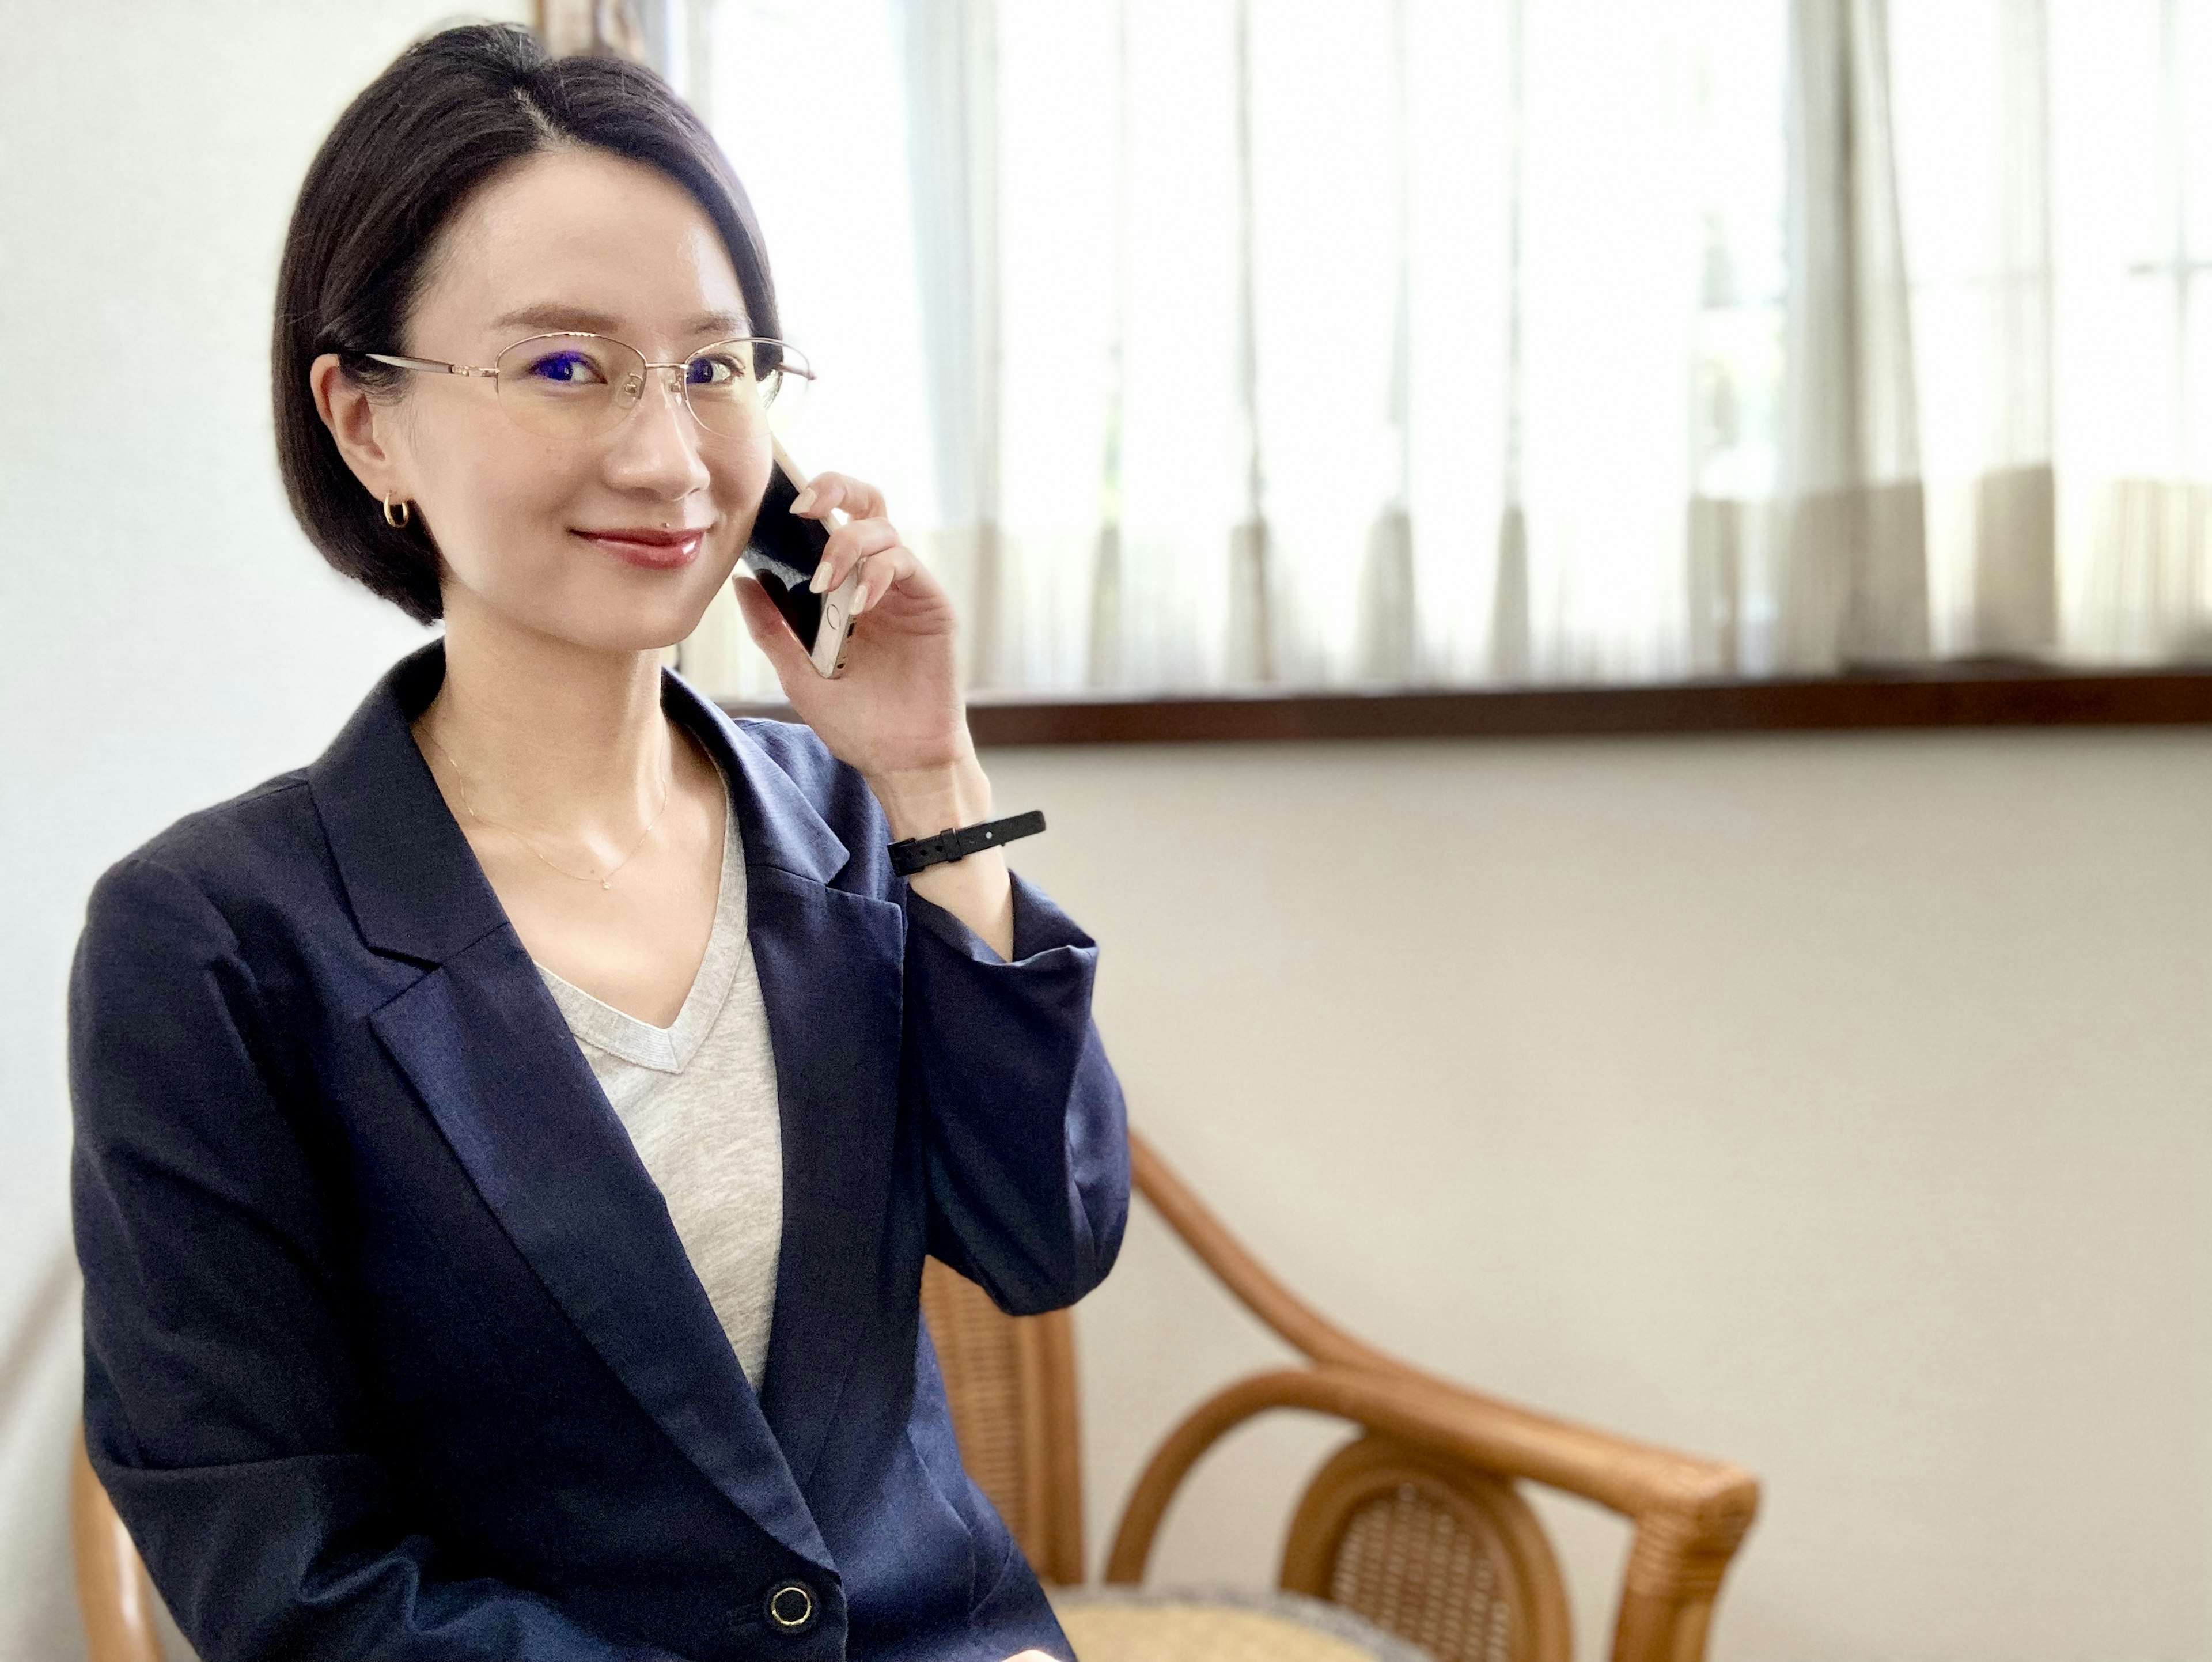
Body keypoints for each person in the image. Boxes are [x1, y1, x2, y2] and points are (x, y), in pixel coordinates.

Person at [67, 23, 1127, 1662]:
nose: (665, 454)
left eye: (712, 369)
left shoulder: (844, 823)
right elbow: (293, 1586)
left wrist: (931, 771)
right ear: (365, 423)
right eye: (566, 366)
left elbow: (1047, 1239)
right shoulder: (211, 941)